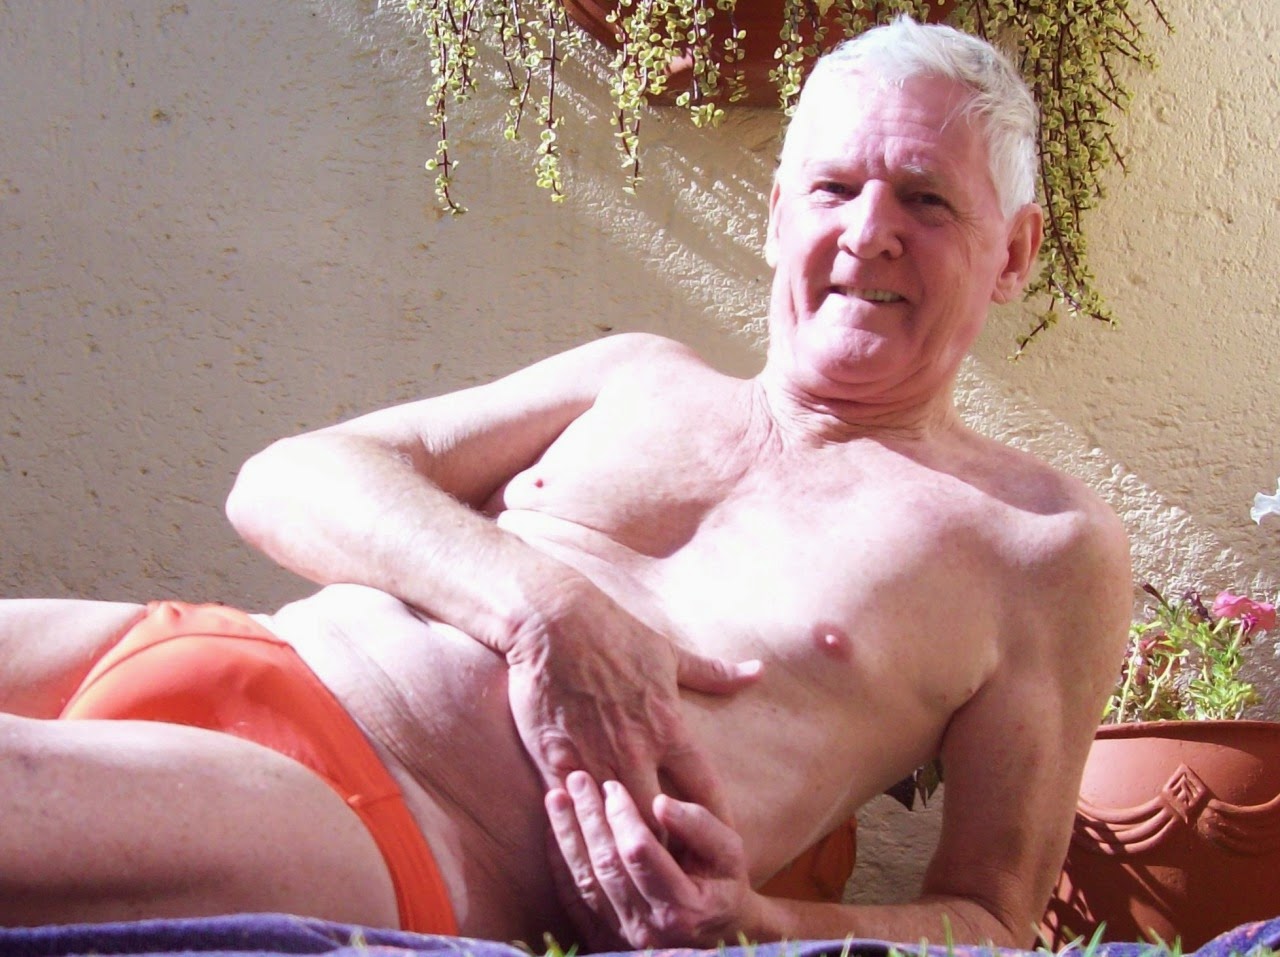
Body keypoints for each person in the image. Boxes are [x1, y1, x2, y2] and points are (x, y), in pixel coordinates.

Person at [2, 16, 1129, 951]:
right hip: (221, 646)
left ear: (1014, 251)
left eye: (926, 201)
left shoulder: (1036, 543)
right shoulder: (636, 373)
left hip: (384, 819)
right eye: (834, 187)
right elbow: (287, 479)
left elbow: (993, 916)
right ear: (779, 217)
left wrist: (759, 920)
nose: (869, 231)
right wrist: (543, 607)